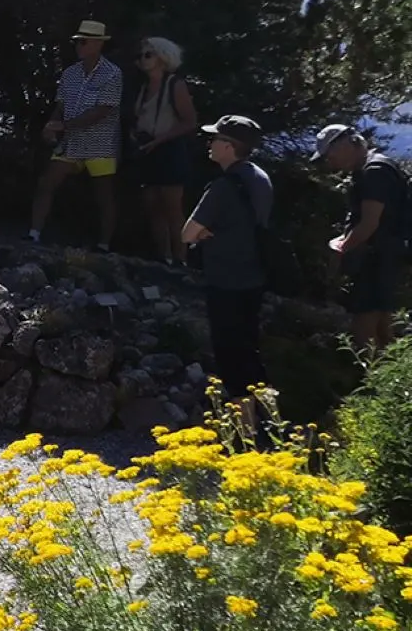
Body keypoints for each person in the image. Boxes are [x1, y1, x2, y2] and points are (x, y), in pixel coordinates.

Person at [182, 117, 273, 404]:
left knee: (230, 358)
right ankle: (271, 421)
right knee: (249, 351)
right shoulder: (260, 177)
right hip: (255, 275)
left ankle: (243, 435)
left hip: (225, 279)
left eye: (215, 139)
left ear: (229, 146)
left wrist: (208, 233)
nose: (210, 144)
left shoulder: (222, 186)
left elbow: (188, 233)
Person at [315, 123, 409, 357]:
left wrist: (341, 250)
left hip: (379, 258)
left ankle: (371, 381)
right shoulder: (374, 167)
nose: (330, 161)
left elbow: (369, 223)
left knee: (364, 323)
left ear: (348, 143)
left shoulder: (373, 172)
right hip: (390, 255)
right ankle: (394, 379)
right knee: (383, 319)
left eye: (330, 153)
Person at [30, 21, 123, 250]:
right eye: (76, 41)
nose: (78, 46)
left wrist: (63, 126)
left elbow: (102, 110)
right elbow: (60, 106)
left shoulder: (112, 74)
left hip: (100, 144)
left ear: (98, 44)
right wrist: (51, 126)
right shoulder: (70, 74)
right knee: (47, 183)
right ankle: (33, 234)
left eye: (83, 41)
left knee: (103, 194)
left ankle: (104, 245)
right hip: (70, 143)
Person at [132, 37, 198, 265]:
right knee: (152, 205)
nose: (142, 60)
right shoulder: (144, 88)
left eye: (148, 55)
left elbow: (190, 121)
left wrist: (161, 139)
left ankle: (181, 259)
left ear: (162, 57)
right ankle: (164, 257)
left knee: (172, 207)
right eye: (141, 56)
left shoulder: (174, 85)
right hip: (148, 149)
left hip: (169, 149)